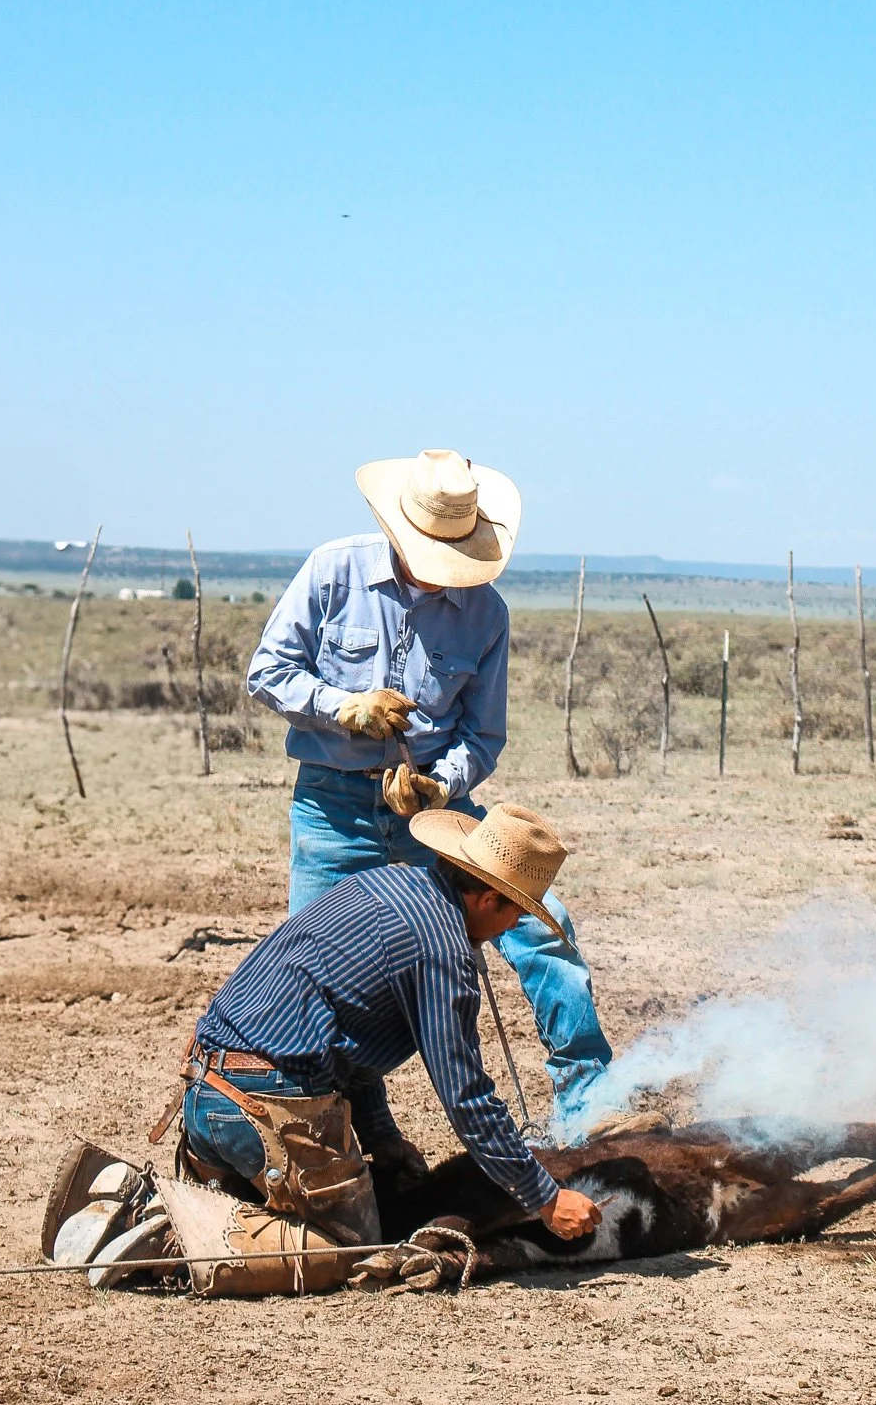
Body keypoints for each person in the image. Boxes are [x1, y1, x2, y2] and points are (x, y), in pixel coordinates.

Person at [246, 447, 611, 1136]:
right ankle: (344, 1127)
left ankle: (589, 1106)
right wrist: (343, 706)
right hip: (334, 810)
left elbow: (483, 736)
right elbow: (268, 672)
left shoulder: (487, 613)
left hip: (436, 816)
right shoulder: (332, 572)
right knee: (309, 966)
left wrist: (439, 786)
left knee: (541, 926)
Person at [177, 804, 603, 1245]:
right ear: (489, 899)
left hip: (204, 1088)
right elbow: (466, 1096)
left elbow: (345, 1037)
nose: (511, 926)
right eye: (516, 913)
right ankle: (182, 1231)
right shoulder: (442, 952)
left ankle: (212, 1183)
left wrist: (382, 1139)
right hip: (254, 1107)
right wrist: (545, 1199)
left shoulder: (385, 882)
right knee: (361, 1245)